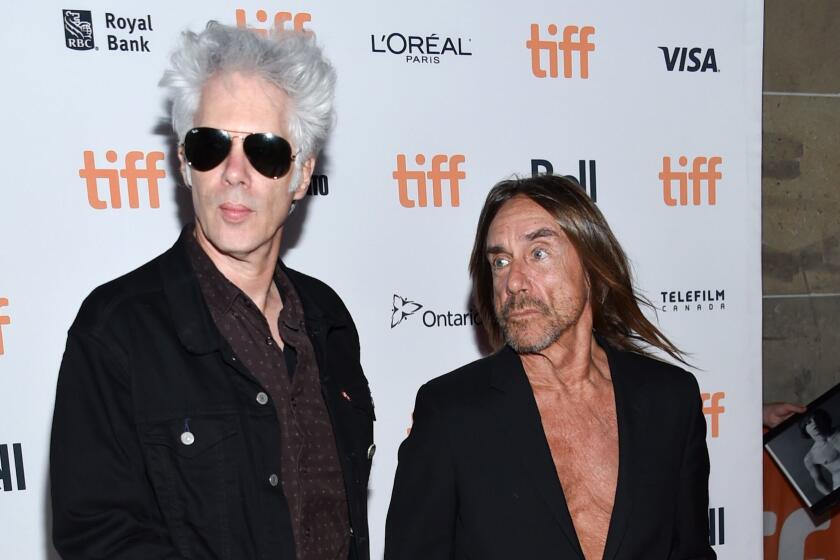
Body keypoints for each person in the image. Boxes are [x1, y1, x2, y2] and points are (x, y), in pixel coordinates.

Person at [50, 22, 374, 560]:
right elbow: (99, 538)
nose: (235, 173)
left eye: (267, 152)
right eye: (211, 146)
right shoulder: (116, 331)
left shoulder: (328, 319)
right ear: (184, 162)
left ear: (301, 175)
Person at [385, 175, 715, 559]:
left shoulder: (670, 399)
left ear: (593, 266)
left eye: (538, 253)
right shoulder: (450, 413)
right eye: (501, 261)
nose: (514, 282)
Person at [801, 408, 840, 496]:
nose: (814, 424)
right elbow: (818, 480)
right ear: (805, 429)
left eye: (817, 419)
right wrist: (831, 497)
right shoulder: (811, 457)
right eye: (809, 422)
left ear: (825, 419)